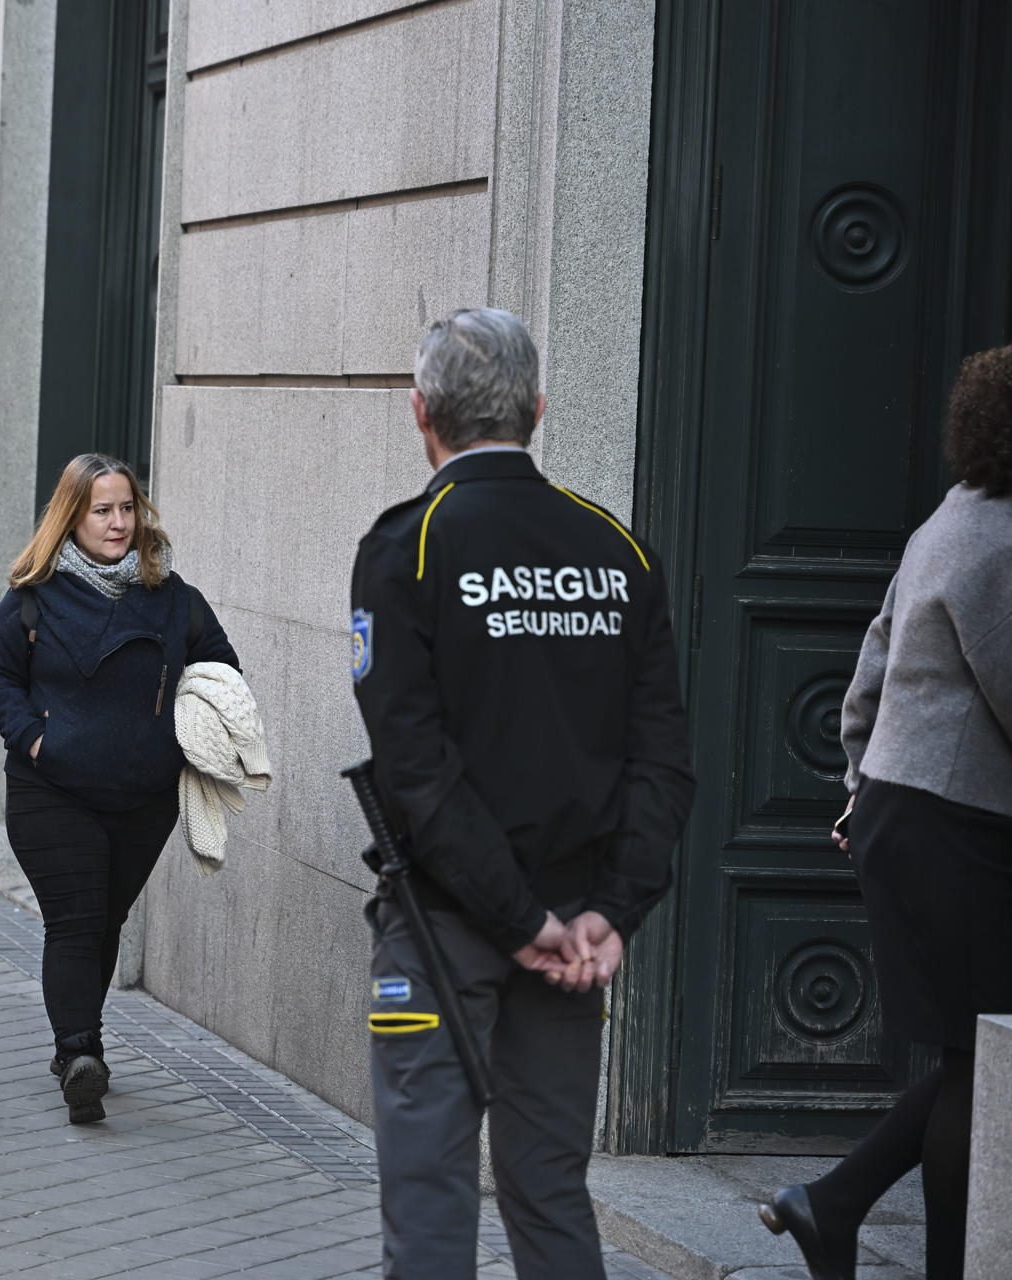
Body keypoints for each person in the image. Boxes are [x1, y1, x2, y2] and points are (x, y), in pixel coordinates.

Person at [350, 308, 694, 1279]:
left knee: (430, 1199)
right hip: (575, 930)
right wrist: (607, 913)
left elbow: (415, 768)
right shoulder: (619, 552)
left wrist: (519, 918)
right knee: (551, 1191)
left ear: (421, 412)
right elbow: (664, 763)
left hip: (448, 922)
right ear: (538, 409)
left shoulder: (410, 548)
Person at [757, 346, 1012, 1280]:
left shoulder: (949, 519)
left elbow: (869, 671)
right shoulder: (1002, 541)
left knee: (975, 1058)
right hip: (957, 824)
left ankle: (831, 1204)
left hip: (912, 815)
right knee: (982, 1061)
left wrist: (861, 788)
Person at [0, 453, 240, 1124]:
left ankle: (76, 1043)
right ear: (72, 517)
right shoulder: (35, 595)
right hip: (51, 789)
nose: (119, 522)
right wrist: (36, 740)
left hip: (143, 797)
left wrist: (182, 739)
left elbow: (221, 672)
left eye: (127, 508)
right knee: (75, 918)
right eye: (102, 510)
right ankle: (80, 1051)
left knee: (106, 920)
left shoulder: (173, 596)